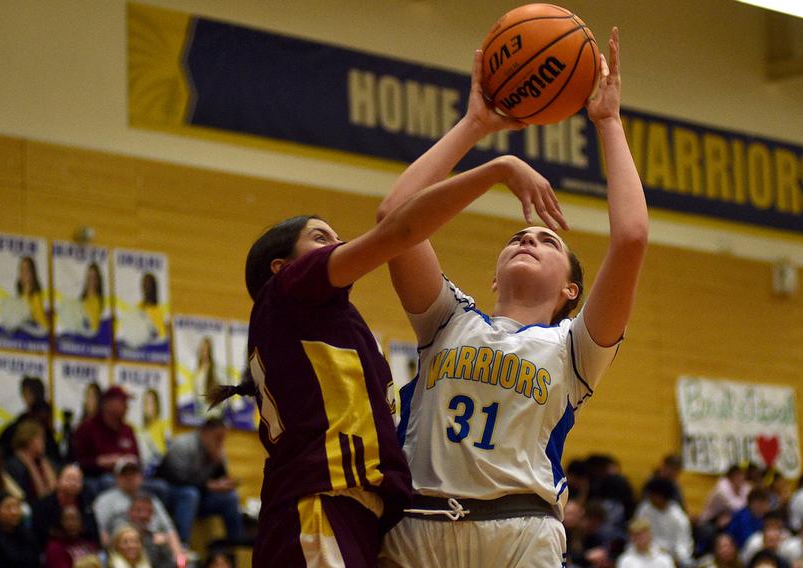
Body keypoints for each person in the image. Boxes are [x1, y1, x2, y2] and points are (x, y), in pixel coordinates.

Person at [204, 47, 575, 565]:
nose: (337, 243)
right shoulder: (292, 291)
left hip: (360, 515)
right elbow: (397, 225)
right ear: (282, 267)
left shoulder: (333, 327)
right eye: (320, 238)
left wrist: (475, 124)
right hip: (320, 507)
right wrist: (495, 165)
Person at [378, 28, 648, 568]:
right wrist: (478, 129)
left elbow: (632, 238)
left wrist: (609, 123)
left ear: (572, 290)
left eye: (546, 240)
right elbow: (394, 218)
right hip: (418, 525)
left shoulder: (575, 347)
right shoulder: (448, 319)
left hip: (519, 533)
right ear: (495, 277)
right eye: (517, 238)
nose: (528, 238)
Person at [157, 417, 243, 546]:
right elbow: (175, 478)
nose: (220, 442)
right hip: (174, 493)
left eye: (223, 438)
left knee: (231, 497)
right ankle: (182, 544)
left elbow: (221, 478)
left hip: (201, 496)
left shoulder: (217, 450)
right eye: (218, 437)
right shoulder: (183, 444)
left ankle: (235, 544)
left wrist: (220, 468)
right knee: (190, 494)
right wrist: (208, 486)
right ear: (205, 432)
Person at [93, 459, 184, 565]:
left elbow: (169, 530)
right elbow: (104, 537)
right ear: (129, 512)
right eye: (125, 474)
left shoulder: (152, 499)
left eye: (134, 474)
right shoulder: (105, 500)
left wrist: (180, 560)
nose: (130, 477)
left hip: (154, 546)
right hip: (122, 550)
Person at [32, 463, 99, 547]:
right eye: (69, 479)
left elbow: (93, 532)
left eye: (77, 480)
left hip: (83, 548)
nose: (73, 483)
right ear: (58, 481)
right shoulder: (43, 505)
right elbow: (41, 535)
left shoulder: (86, 502)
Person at [634, 479, 694, 568]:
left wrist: (675, 558)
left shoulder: (679, 517)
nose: (649, 498)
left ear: (661, 498)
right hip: (646, 552)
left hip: (671, 556)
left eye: (652, 495)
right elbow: (636, 531)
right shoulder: (644, 509)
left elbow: (683, 545)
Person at [4, 418, 57, 502]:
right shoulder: (14, 465)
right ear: (28, 440)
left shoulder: (45, 462)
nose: (44, 442)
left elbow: (55, 490)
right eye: (40, 438)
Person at [0, 492, 40, 568]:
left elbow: (35, 561)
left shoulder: (27, 533)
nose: (14, 512)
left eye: (17, 507)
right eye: (8, 507)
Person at [79, 262, 105, 334]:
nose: (91, 280)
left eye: (94, 277)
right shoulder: (81, 299)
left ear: (98, 280)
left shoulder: (100, 301)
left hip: (93, 339)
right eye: (89, 277)